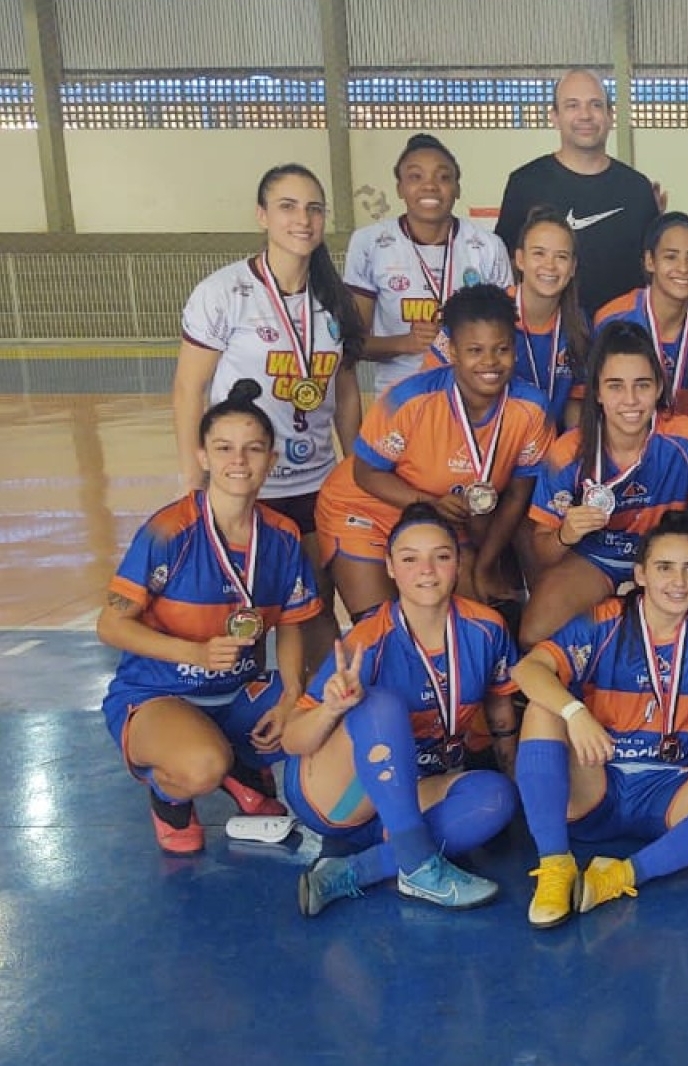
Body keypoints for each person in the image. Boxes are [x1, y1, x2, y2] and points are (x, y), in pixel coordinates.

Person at [511, 512, 688, 928]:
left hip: (666, 789)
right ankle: (555, 865)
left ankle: (621, 875)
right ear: (641, 575)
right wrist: (575, 712)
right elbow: (526, 669)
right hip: (598, 776)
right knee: (545, 706)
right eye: (664, 568)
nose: (679, 581)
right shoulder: (604, 621)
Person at [99, 380, 321, 855]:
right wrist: (193, 652)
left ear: (271, 459)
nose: (238, 461)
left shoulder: (282, 537)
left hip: (239, 693)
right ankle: (171, 797)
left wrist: (291, 700)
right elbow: (110, 625)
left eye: (252, 449)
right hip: (160, 692)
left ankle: (241, 763)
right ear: (202, 456)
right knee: (201, 765)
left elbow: (291, 624)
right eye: (224, 448)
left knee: (331, 709)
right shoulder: (168, 532)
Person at [283, 504, 520, 916]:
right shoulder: (368, 639)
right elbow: (292, 738)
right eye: (410, 559)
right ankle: (421, 864)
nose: (426, 570)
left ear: (457, 562)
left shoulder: (487, 629)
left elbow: (500, 710)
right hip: (340, 796)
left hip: (413, 790)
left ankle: (361, 869)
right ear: (390, 567)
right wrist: (331, 709)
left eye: (441, 556)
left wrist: (514, 770)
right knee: (380, 705)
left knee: (496, 798)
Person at [175, 163, 366, 671]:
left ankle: (320, 713)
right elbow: (189, 389)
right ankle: (247, 714)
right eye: (287, 206)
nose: (302, 219)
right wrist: (198, 480)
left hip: (317, 482)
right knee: (247, 608)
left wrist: (358, 471)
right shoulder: (224, 293)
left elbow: (345, 395)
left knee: (316, 606)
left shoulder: (333, 298)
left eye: (313, 208)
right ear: (262, 215)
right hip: (245, 485)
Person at [315, 284, 555, 616]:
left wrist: (484, 566)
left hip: (447, 519)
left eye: (501, 349)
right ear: (453, 352)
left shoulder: (531, 410)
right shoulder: (408, 401)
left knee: (476, 624)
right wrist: (430, 503)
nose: (490, 362)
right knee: (382, 628)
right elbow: (365, 473)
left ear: (514, 350)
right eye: (474, 350)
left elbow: (516, 495)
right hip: (368, 509)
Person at [520, 321, 688, 649]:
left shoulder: (685, 437)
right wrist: (566, 534)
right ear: (598, 392)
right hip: (597, 558)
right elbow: (543, 551)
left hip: (665, 555)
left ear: (659, 388)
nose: (630, 400)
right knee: (533, 635)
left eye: (642, 385)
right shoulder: (568, 451)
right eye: (616, 386)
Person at [345, 134, 512, 394]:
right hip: (400, 397)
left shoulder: (488, 246)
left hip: (471, 398)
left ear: (457, 188)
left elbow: (508, 335)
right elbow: (353, 343)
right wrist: (405, 343)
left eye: (443, 177)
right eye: (415, 177)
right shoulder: (370, 243)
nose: (430, 186)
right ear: (399, 188)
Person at [495, 69, 663, 319]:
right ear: (554, 116)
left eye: (595, 105)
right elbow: (506, 262)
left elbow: (653, 270)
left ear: (609, 115)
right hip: (548, 340)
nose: (585, 115)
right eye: (572, 105)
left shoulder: (637, 188)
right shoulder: (525, 183)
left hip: (620, 338)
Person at [432, 206, 591, 432]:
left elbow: (576, 401)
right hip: (481, 446)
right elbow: (428, 384)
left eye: (561, 257)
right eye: (539, 253)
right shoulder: (482, 312)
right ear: (519, 259)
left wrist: (572, 448)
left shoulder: (579, 323)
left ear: (573, 267)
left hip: (548, 449)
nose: (550, 265)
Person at [593, 211, 688, 433]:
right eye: (671, 256)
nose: (684, 268)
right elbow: (592, 396)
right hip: (623, 444)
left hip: (681, 449)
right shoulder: (612, 319)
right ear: (650, 261)